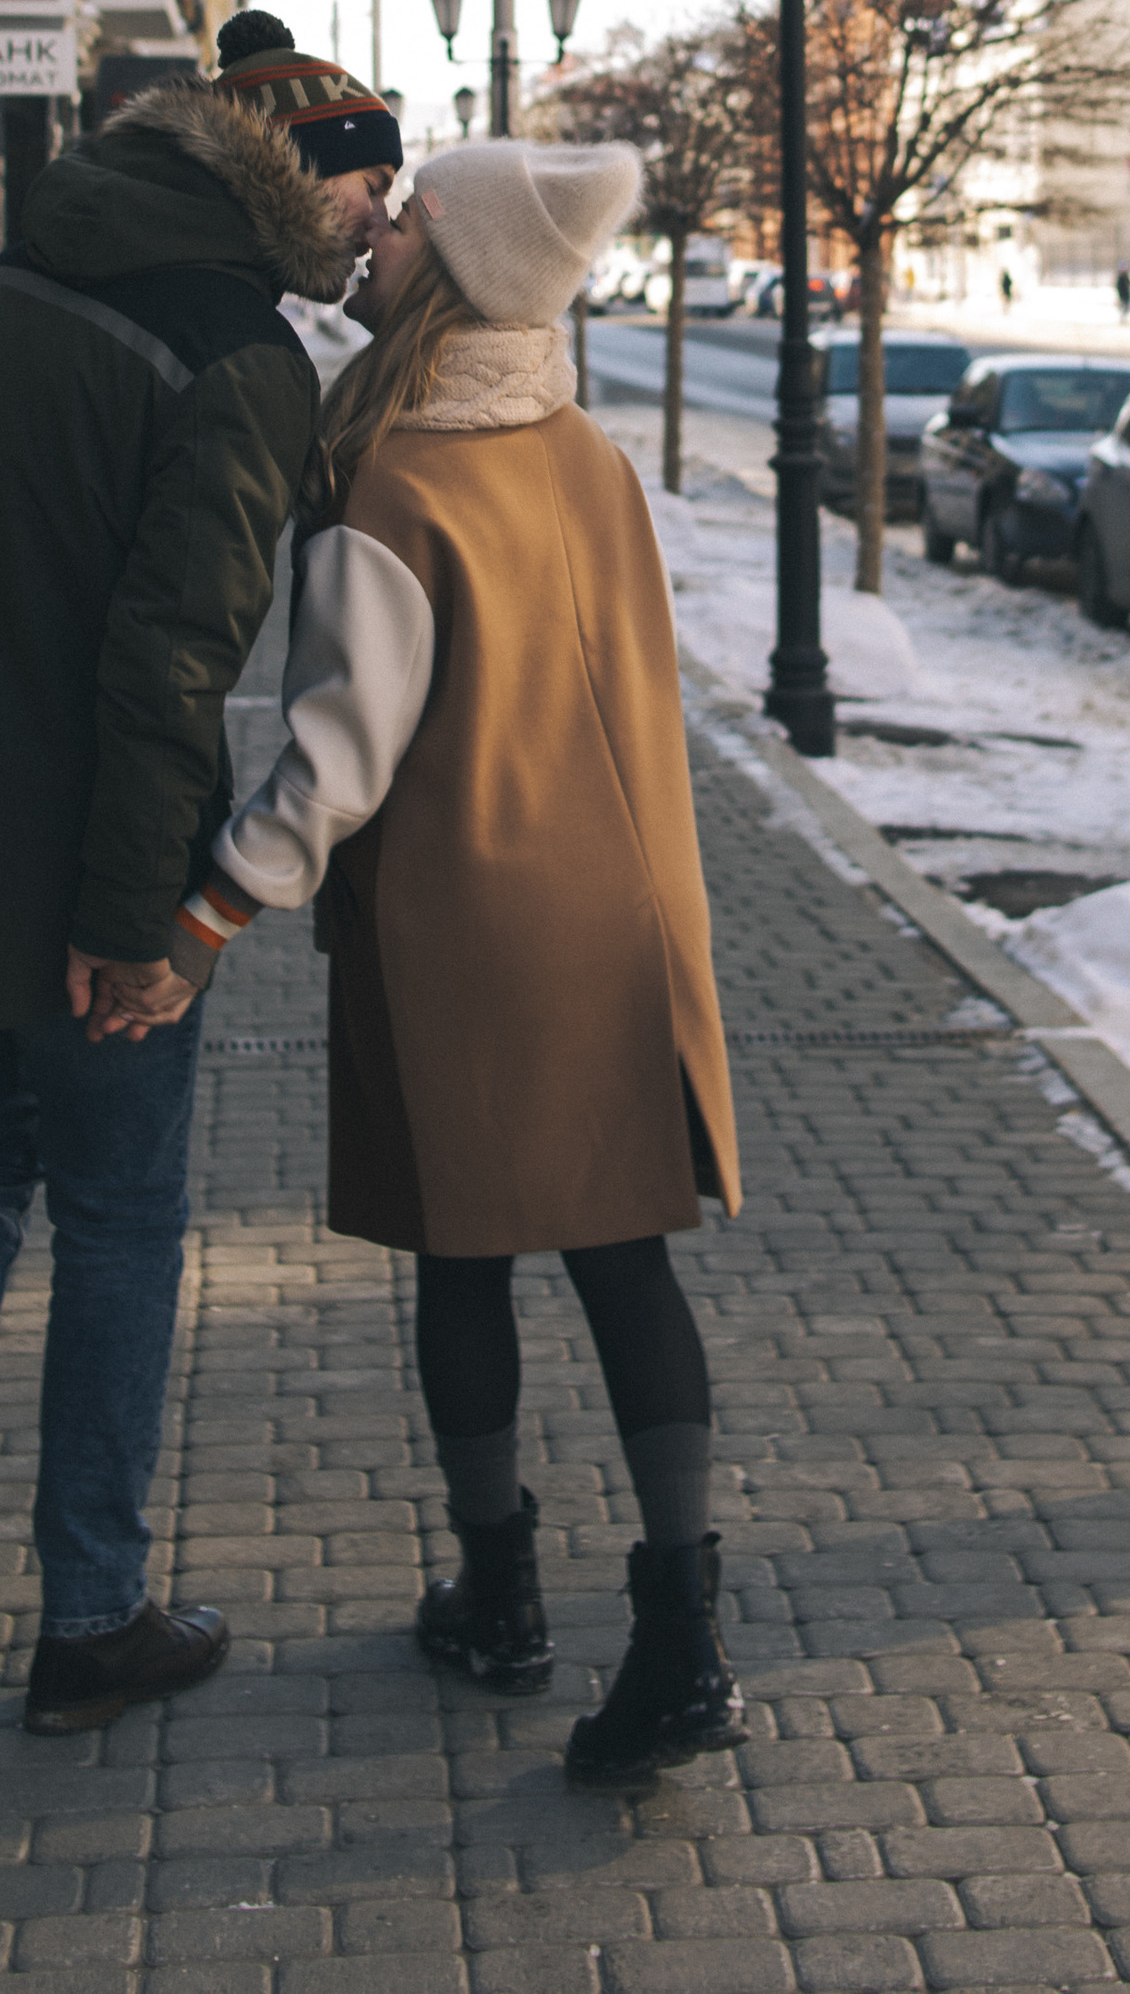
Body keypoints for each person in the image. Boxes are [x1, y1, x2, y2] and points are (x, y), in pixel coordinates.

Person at [0, 18, 402, 1734]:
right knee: (121, 1222)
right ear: (290, 180)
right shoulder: (240, 359)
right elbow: (171, 666)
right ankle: (92, 1618)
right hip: (80, 873)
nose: (379, 221)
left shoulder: (16, 279)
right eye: (365, 186)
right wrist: (141, 928)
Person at [177, 141, 747, 1785]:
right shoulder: (588, 457)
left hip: (467, 926)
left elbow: (337, 761)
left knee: (464, 1256)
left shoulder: (396, 477)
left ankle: (502, 1599)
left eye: (414, 214)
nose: (385, 229)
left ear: (464, 263)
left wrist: (211, 911)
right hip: (625, 913)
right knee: (627, 1262)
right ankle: (683, 1640)